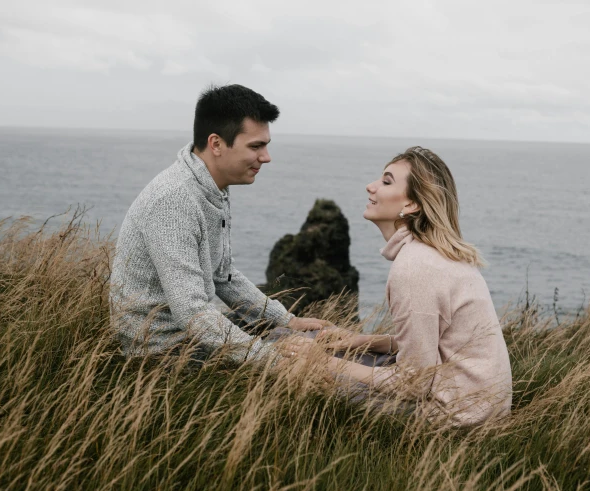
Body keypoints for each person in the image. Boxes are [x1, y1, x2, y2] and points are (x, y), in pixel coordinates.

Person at [289, 146, 512, 426]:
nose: (370, 186)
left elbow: (413, 383)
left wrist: (323, 362)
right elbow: (438, 344)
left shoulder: (414, 267)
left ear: (410, 205)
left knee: (295, 367)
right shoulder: (433, 254)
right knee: (314, 344)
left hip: (456, 414)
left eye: (386, 181)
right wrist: (363, 341)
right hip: (477, 401)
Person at [110, 84, 327, 360]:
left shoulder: (212, 187)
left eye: (266, 146)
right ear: (216, 144)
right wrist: (273, 360)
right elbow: (192, 312)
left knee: (313, 343)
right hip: (160, 354)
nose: (266, 157)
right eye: (256, 146)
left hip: (190, 336)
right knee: (311, 364)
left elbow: (222, 275)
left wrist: (286, 320)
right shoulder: (174, 200)